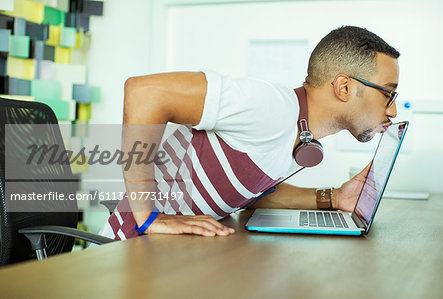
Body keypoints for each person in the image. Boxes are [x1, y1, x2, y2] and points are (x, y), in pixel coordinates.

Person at [98, 25, 400, 240]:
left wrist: (334, 197)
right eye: (388, 94)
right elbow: (144, 92)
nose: (392, 111)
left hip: (173, 252)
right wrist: (148, 217)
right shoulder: (270, 107)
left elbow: (250, 197)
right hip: (129, 248)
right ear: (344, 87)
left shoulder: (299, 129)